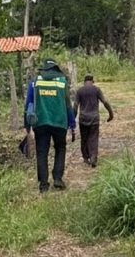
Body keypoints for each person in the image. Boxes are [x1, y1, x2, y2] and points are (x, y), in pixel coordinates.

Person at [24, 58, 76, 193]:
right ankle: (58, 178)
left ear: (44, 69)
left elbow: (29, 103)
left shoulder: (35, 82)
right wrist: (72, 123)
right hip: (59, 123)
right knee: (60, 148)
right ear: (56, 70)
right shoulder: (62, 82)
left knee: (42, 152)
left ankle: (43, 185)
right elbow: (68, 105)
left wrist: (27, 125)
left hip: (40, 123)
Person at [73, 74, 115, 167]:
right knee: (93, 138)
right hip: (94, 118)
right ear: (93, 81)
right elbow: (105, 102)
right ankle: (93, 157)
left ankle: (85, 157)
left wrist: (72, 120)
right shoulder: (96, 90)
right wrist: (111, 114)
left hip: (83, 118)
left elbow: (75, 106)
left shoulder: (80, 91)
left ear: (84, 82)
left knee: (84, 138)